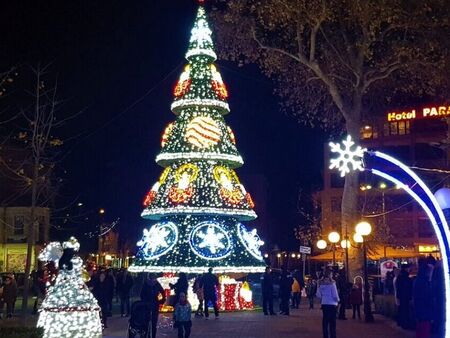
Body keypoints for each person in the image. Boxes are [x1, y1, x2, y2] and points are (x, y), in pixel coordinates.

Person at [413, 258, 434, 338]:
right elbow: (427, 297)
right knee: (424, 330)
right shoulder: (425, 282)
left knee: (421, 330)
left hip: (420, 310)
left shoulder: (418, 280)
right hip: (425, 310)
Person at [140, 273, 166, 338]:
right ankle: (147, 335)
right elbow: (142, 294)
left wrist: (161, 301)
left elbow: (162, 292)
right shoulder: (146, 284)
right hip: (147, 305)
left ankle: (153, 335)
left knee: (153, 323)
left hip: (154, 304)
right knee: (147, 322)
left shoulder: (156, 284)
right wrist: (145, 301)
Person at [316, 269, 339, 338]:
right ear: (330, 275)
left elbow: (318, 295)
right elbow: (335, 295)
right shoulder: (332, 283)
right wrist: (337, 300)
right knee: (333, 322)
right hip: (332, 304)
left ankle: (325, 336)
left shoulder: (320, 283)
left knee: (325, 321)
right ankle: (333, 336)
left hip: (324, 303)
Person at [396, 264, 413, 329]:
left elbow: (398, 288)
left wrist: (398, 296)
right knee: (405, 310)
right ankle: (405, 323)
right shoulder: (406, 277)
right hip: (405, 296)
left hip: (402, 296)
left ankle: (402, 322)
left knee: (402, 310)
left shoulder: (400, 277)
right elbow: (408, 287)